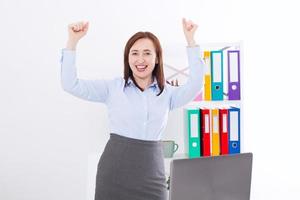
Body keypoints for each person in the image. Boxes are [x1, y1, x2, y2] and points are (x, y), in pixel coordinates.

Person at [60, 18, 203, 200]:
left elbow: (196, 85)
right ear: (127, 58)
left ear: (157, 57)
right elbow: (70, 84)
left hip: (152, 176)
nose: (140, 59)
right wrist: (72, 42)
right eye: (134, 53)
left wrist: (191, 40)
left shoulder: (168, 94)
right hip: (114, 175)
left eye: (147, 53)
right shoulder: (112, 88)